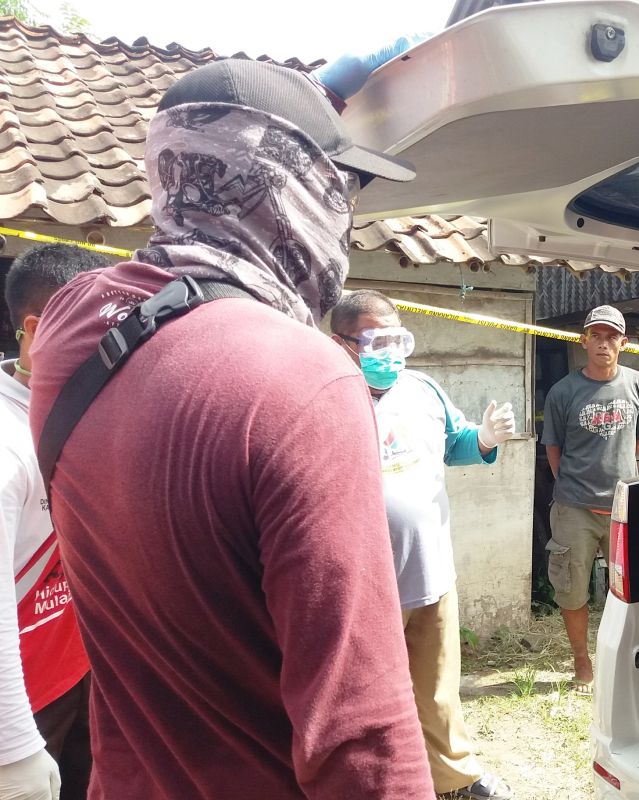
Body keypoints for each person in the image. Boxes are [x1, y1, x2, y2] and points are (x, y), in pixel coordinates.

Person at [26, 60, 434, 799]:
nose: (347, 211)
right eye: (338, 184)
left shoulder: (68, 328)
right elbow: (359, 733)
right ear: (284, 183)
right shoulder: (304, 379)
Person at [328, 290, 516, 800]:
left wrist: (484, 438)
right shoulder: (324, 398)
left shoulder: (423, 389)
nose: (390, 352)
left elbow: (455, 444)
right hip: (364, 585)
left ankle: (453, 776)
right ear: (342, 344)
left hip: (430, 571)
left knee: (436, 687)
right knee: (365, 697)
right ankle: (379, 783)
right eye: (376, 341)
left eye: (397, 338)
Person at [1, 244, 106, 800]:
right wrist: (13, 748)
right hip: (17, 711)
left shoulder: (79, 405)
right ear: (40, 330)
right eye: (103, 330)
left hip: (76, 677)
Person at [541, 305, 639, 690]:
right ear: (584, 341)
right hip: (575, 507)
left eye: (611, 337)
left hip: (623, 507)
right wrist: (571, 487)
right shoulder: (563, 391)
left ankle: (622, 660)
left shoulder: (638, 385)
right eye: (596, 336)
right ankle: (582, 662)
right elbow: (553, 446)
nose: (603, 344)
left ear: (624, 342)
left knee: (631, 590)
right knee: (571, 589)